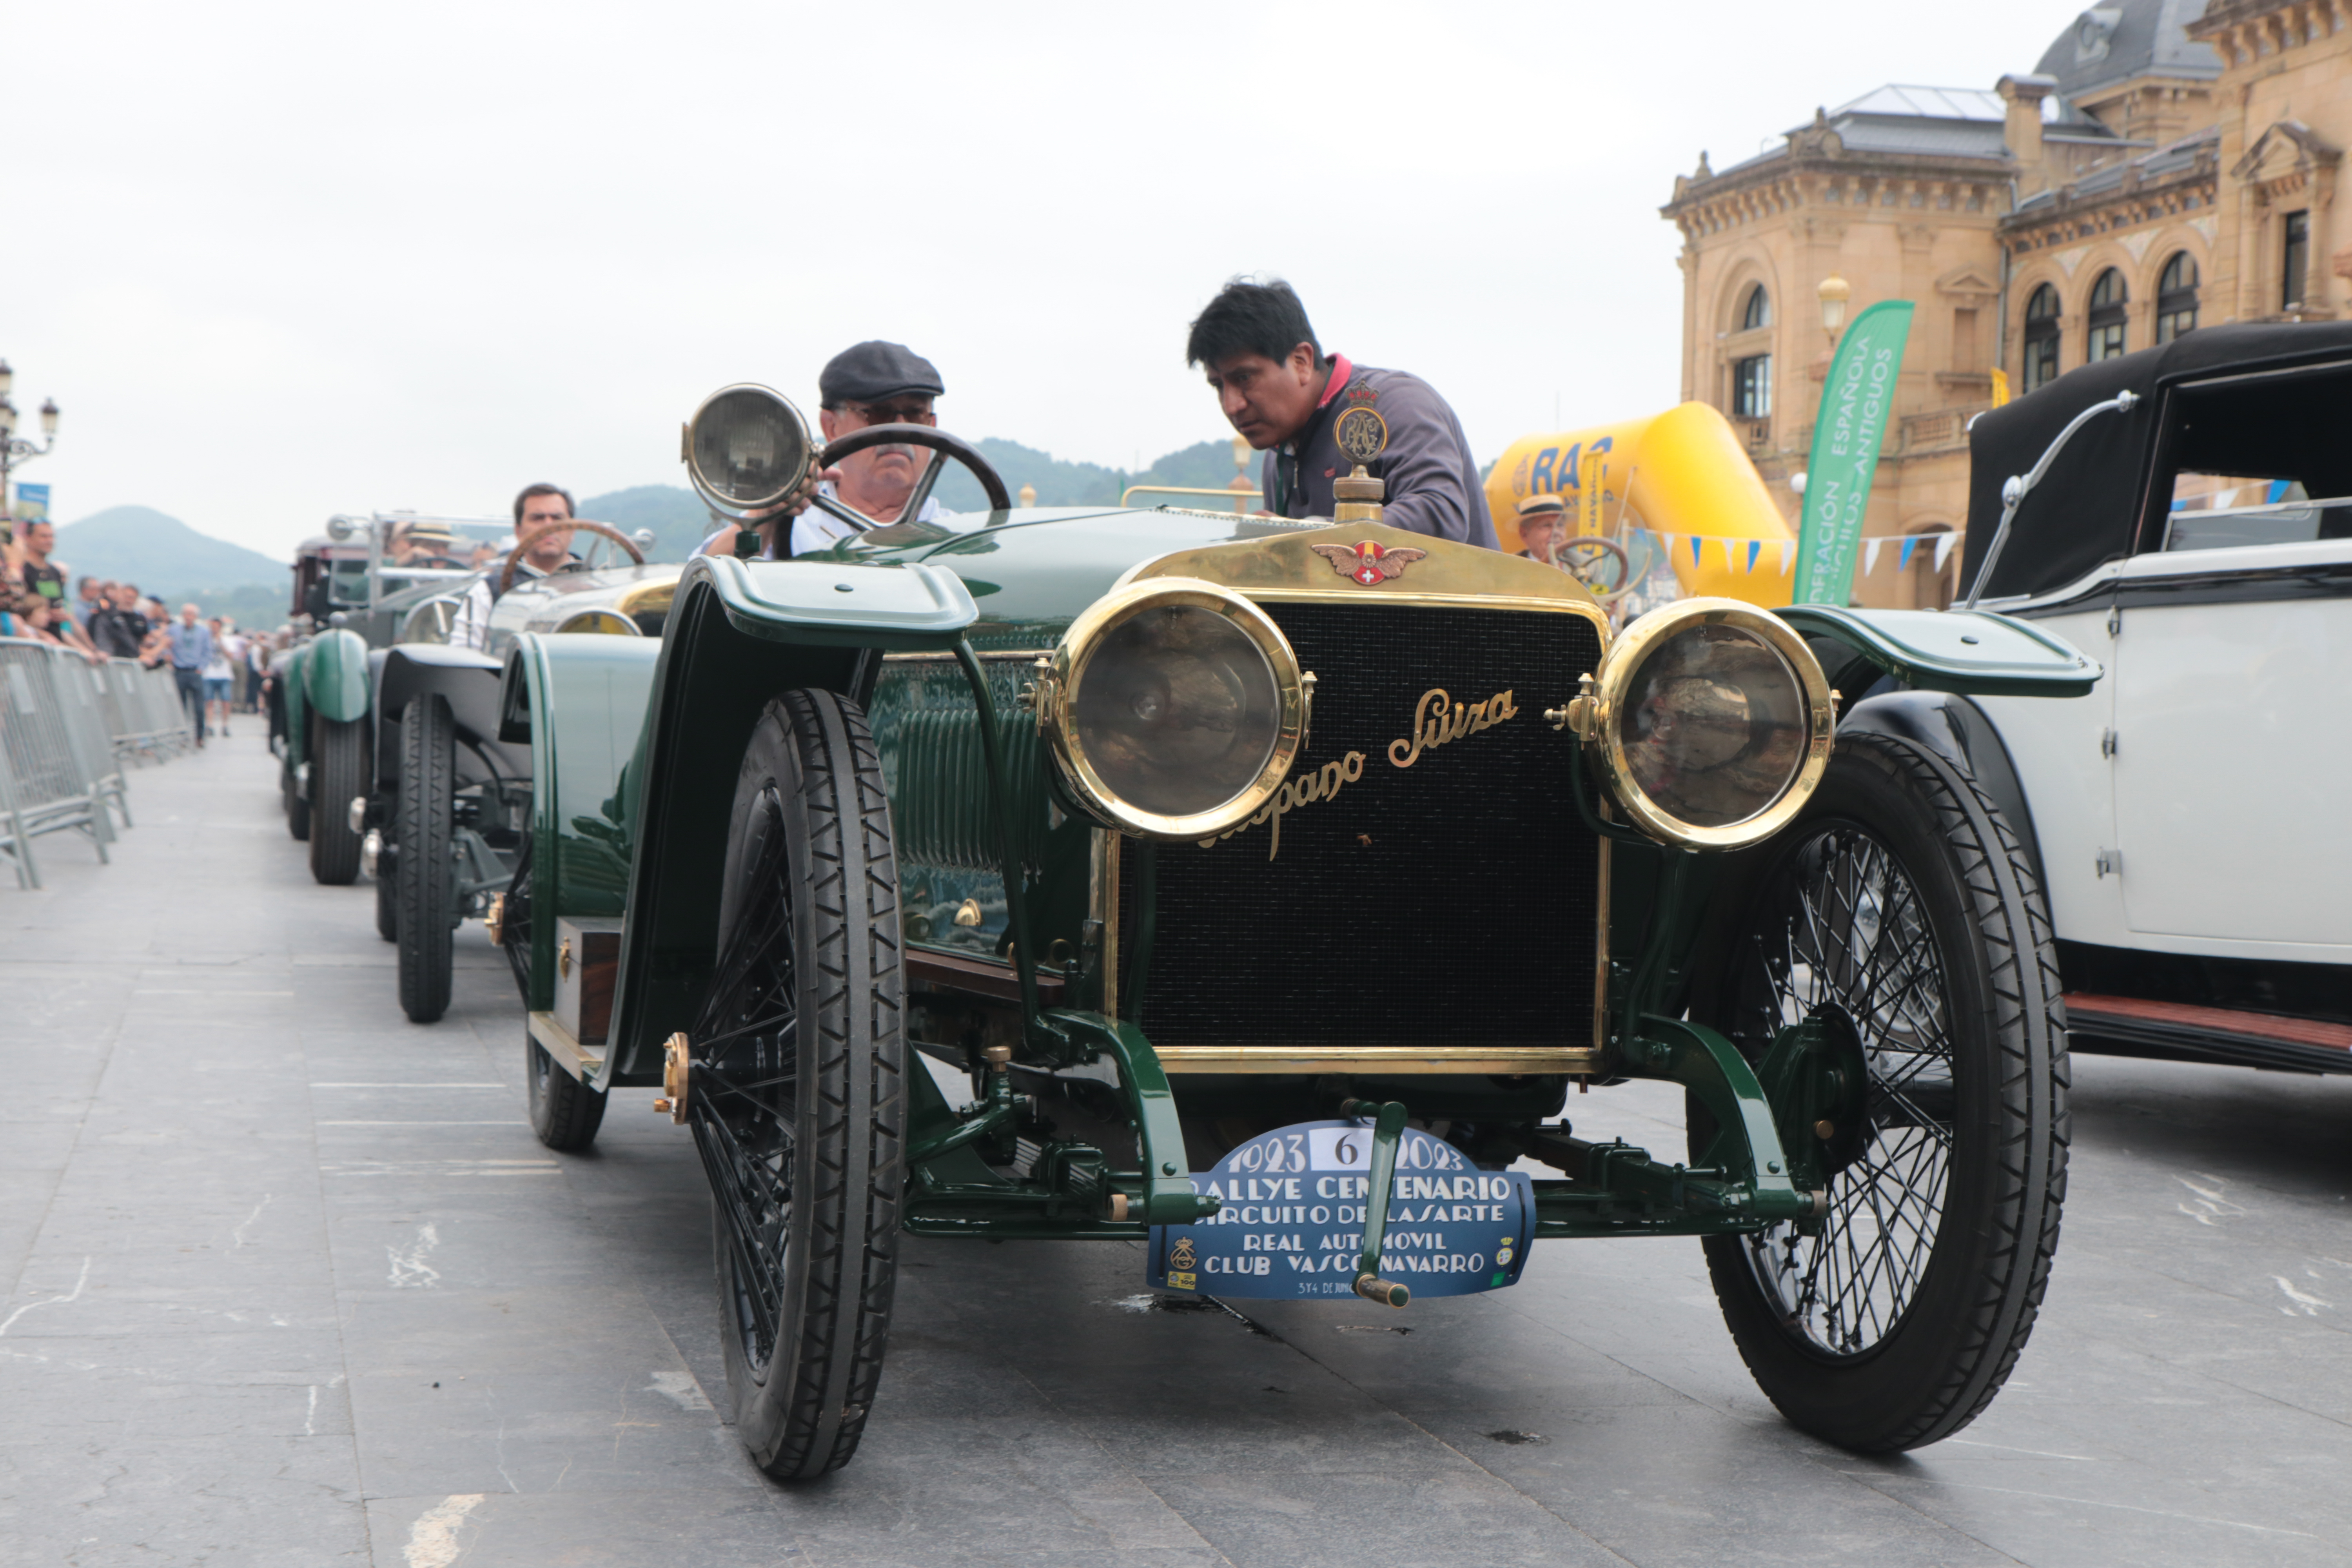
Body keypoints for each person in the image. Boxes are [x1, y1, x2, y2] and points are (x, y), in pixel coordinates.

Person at [1186, 278, 1495, 548]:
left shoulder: (1395, 404)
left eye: (1244, 379)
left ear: (1301, 362)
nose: (1232, 405)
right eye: (1218, 386)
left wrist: (1304, 534)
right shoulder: (1277, 455)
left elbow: (1442, 515)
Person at [698, 341, 949, 561]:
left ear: (933, 427)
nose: (900, 429)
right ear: (832, 427)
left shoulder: (960, 535)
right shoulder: (786, 523)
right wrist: (767, 513)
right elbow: (707, 587)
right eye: (879, 414)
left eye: (916, 414)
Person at [447, 485, 584, 651]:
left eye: (557, 518)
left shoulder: (602, 586)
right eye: (538, 518)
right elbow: (463, 657)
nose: (549, 526)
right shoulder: (488, 591)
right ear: (518, 531)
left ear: (573, 530)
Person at [14, 520, 102, 657]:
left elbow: (63, 622)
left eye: (52, 537)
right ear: (28, 538)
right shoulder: (22, 570)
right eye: (43, 536)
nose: (49, 541)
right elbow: (16, 613)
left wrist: (87, 650)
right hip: (29, 648)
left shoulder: (54, 573)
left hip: (54, 647)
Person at [167, 603, 215, 746]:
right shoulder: (173, 630)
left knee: (199, 707)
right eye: (186, 614)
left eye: (191, 614)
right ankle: (181, 736)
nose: (188, 617)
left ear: (196, 617)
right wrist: (170, 660)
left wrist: (201, 667)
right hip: (179, 671)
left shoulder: (204, 632)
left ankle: (199, 736)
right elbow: (166, 646)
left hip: (195, 672)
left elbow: (208, 651)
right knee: (180, 706)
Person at [89, 582, 150, 660]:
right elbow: (101, 633)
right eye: (126, 596)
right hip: (111, 655)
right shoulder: (108, 613)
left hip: (127, 656)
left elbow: (134, 638)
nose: (129, 600)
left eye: (132, 598)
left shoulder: (139, 618)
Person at [202, 617, 236, 737]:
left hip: (224, 675)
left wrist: (221, 644)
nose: (214, 630)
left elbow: (231, 656)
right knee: (209, 701)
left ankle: (225, 725)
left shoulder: (227, 640)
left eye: (216, 627)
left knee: (226, 702)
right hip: (209, 674)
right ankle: (210, 725)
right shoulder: (206, 640)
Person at [1513, 494, 1566, 564]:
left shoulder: (1582, 564)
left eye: (1560, 525)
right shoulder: (1509, 569)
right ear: (1524, 534)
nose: (1556, 532)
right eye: (1547, 526)